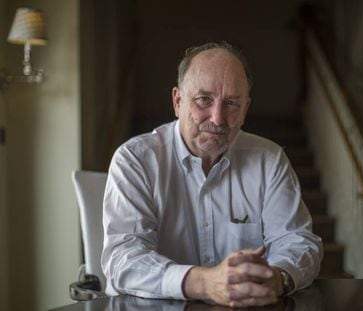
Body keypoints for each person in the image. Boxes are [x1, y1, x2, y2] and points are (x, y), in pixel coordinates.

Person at [102, 41, 322, 308]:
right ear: (177, 101)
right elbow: (123, 259)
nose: (218, 118)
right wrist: (204, 283)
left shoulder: (269, 159)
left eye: (232, 103)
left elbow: (298, 242)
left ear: (245, 109)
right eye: (203, 100)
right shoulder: (135, 160)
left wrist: (278, 278)